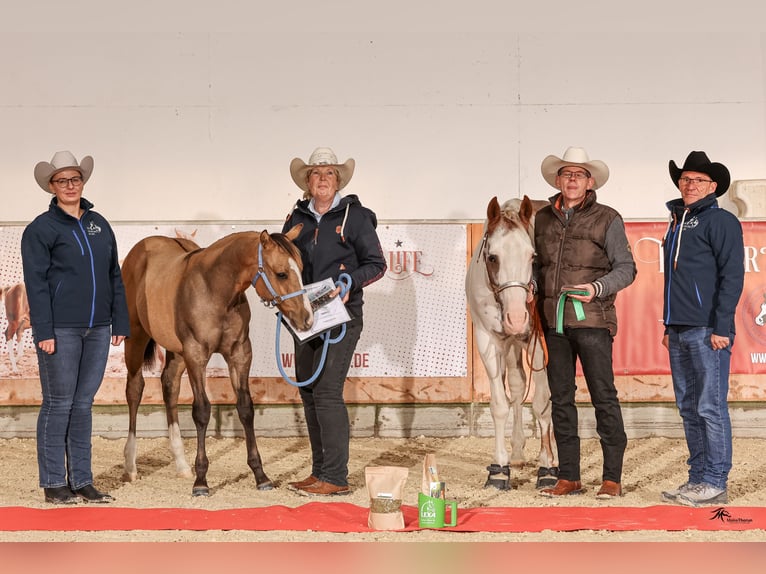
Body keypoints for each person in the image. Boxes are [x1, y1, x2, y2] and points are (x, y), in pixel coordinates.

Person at [21, 151, 129, 504]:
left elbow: (114, 275)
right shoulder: (41, 229)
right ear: (51, 187)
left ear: (83, 183)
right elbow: (35, 284)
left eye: (75, 179)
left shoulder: (100, 224)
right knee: (58, 403)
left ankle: (82, 480)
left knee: (83, 404)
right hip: (61, 331)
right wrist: (45, 332)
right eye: (62, 181)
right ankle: (54, 482)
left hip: (98, 328)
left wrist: (120, 320)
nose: (70, 186)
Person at [282, 147, 386, 496]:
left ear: (337, 180)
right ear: (307, 182)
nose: (322, 179)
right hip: (305, 315)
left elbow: (376, 264)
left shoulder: (356, 217)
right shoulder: (296, 218)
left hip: (342, 315)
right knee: (310, 393)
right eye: (316, 174)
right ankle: (319, 471)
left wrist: (350, 282)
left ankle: (336, 477)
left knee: (326, 391)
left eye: (328, 173)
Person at [534, 146, 636, 499]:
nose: (572, 179)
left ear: (590, 181)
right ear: (558, 179)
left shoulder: (607, 218)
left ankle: (611, 478)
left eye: (578, 174)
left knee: (603, 397)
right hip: (554, 323)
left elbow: (627, 268)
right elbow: (537, 266)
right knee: (561, 399)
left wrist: (597, 287)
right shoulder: (542, 219)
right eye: (566, 174)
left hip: (592, 320)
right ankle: (569, 476)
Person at [660, 151, 744, 507]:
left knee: (710, 406)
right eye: (685, 179)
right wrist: (668, 324)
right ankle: (697, 478)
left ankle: (714, 479)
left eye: (697, 180)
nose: (690, 185)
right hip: (679, 329)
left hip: (708, 329)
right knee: (688, 407)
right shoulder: (677, 221)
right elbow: (673, 282)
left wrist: (722, 326)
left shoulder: (721, 221)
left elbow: (732, 276)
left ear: (713, 187)